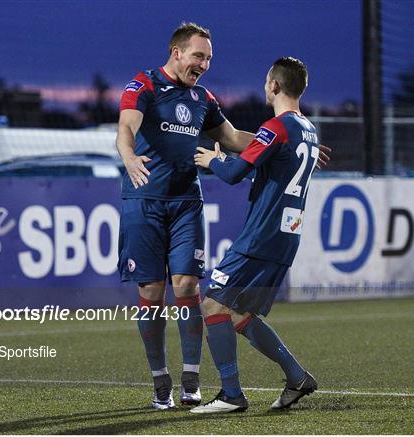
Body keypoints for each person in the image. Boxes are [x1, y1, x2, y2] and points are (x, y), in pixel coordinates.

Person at [115, 22, 258, 410]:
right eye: (199, 56)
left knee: (187, 287)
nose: (205, 64)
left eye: (209, 58)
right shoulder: (142, 85)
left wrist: (279, 140)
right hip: (142, 203)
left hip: (186, 204)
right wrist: (128, 157)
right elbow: (126, 127)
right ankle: (160, 380)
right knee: (150, 293)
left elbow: (230, 137)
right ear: (177, 52)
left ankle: (191, 378)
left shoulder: (202, 98)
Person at [190, 57, 323, 413]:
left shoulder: (276, 128)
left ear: (275, 86)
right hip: (286, 235)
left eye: (267, 82)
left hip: (261, 235)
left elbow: (234, 174)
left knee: (213, 302)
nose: (265, 87)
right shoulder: (308, 130)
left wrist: (211, 162)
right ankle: (296, 376)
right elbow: (269, 173)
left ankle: (231, 395)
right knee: (236, 313)